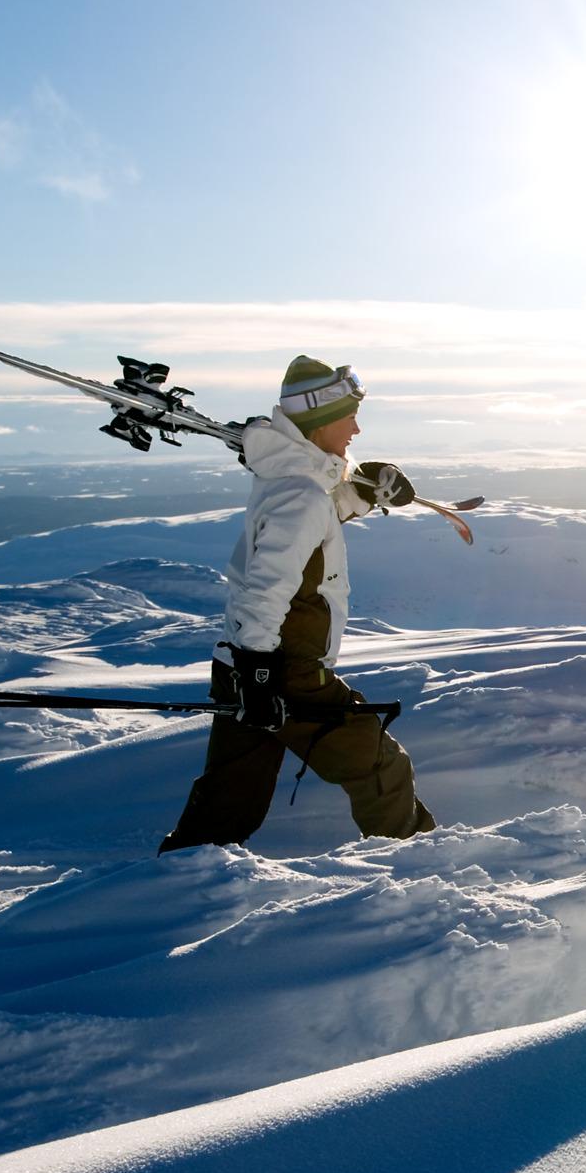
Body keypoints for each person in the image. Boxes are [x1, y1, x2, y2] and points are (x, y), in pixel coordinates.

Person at [160, 355, 435, 852]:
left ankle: (178, 876)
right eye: (349, 416)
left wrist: (363, 492)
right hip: (285, 670)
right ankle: (419, 866)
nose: (356, 429)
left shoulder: (290, 481)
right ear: (320, 421)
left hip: (243, 664)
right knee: (381, 767)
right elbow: (268, 586)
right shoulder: (301, 494)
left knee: (228, 805)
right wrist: (262, 672)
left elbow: (311, 521)